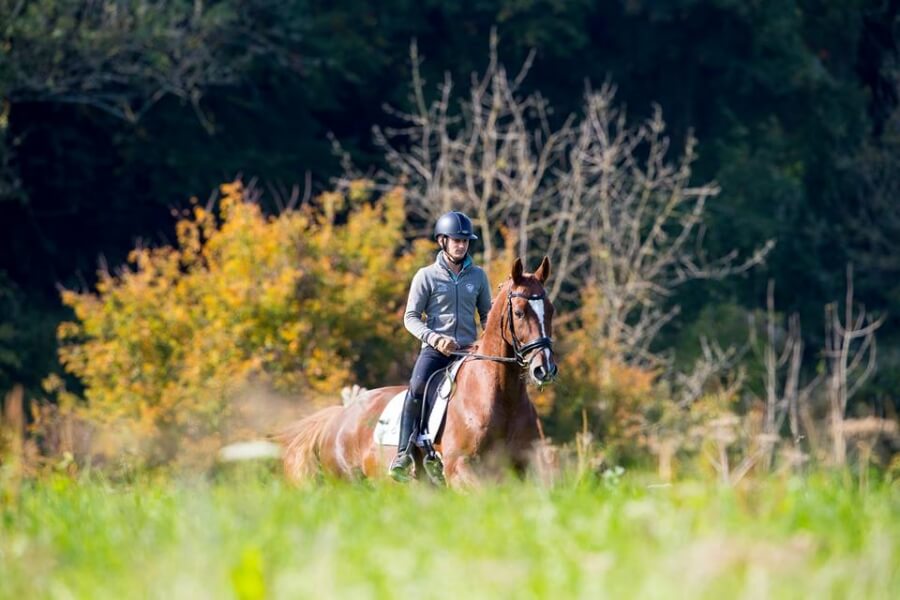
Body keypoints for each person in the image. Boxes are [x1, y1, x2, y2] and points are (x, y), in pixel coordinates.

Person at [389, 211, 492, 482]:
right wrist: (435, 338)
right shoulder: (426, 276)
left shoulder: (479, 277)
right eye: (456, 240)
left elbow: (487, 316)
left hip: (469, 352)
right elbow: (410, 318)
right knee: (417, 387)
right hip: (436, 350)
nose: (461, 245)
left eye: (465, 241)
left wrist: (488, 341)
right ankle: (404, 453)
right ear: (442, 241)